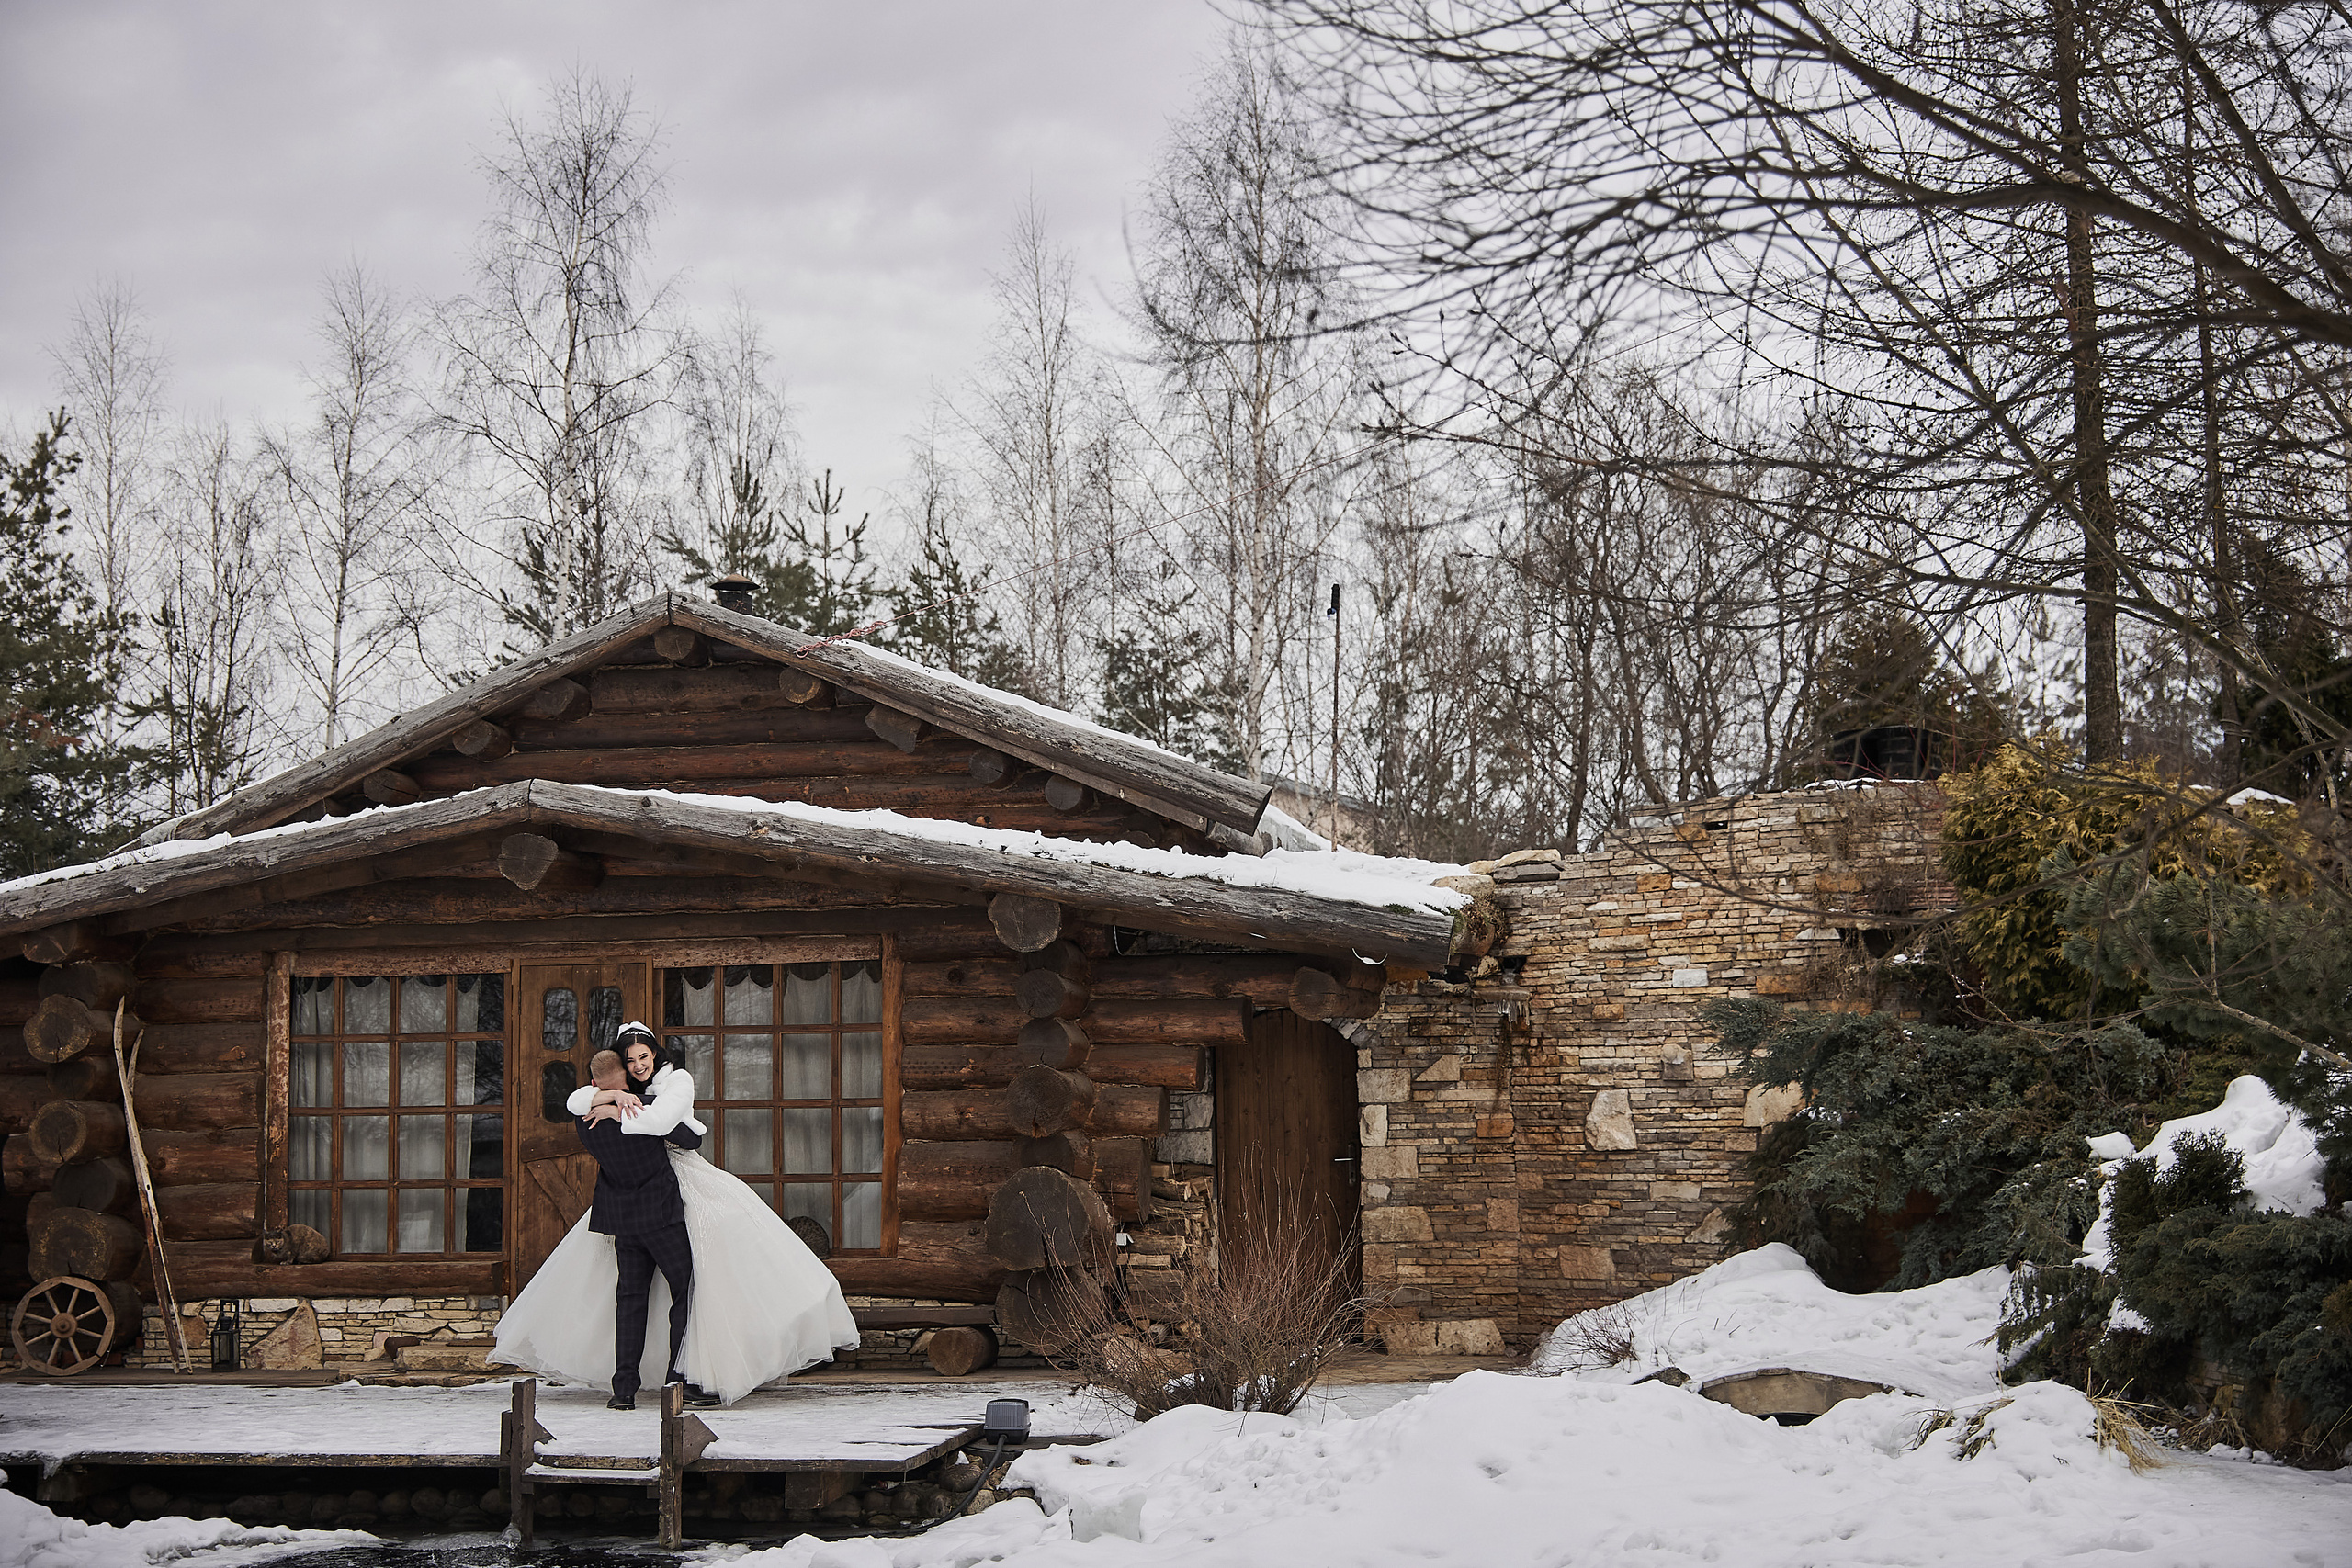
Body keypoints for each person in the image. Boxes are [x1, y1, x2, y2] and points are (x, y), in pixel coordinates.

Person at [492, 1023, 861, 1405]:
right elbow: (687, 1137)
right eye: (630, 1062)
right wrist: (624, 1102)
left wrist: (611, 1101)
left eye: (643, 1058)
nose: (637, 1067)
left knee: (630, 1300)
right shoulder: (637, 1109)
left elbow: (597, 1106)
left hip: (619, 1218)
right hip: (662, 1212)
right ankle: (677, 1381)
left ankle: (623, 1392)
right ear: (620, 1073)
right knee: (685, 1291)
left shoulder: (591, 1119)